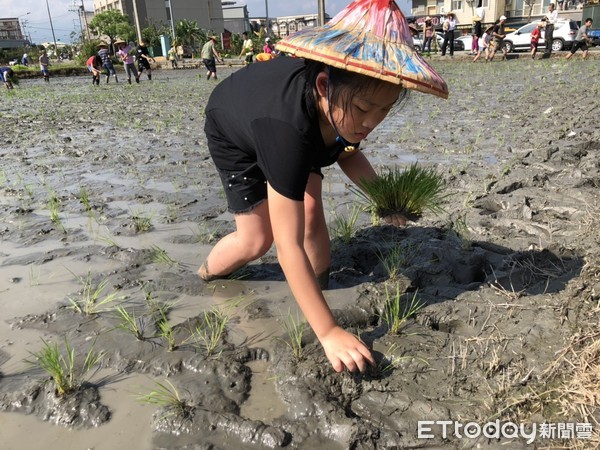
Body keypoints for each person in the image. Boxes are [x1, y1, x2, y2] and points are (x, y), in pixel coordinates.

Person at [199, 0, 448, 373]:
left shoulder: (339, 106)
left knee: (311, 209)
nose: (371, 122)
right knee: (257, 239)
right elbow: (287, 246)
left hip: (299, 120)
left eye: (384, 110)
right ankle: (204, 274)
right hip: (236, 125)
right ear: (322, 85)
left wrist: (385, 200)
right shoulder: (288, 133)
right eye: (364, 109)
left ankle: (319, 287)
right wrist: (329, 330)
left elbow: (347, 154)